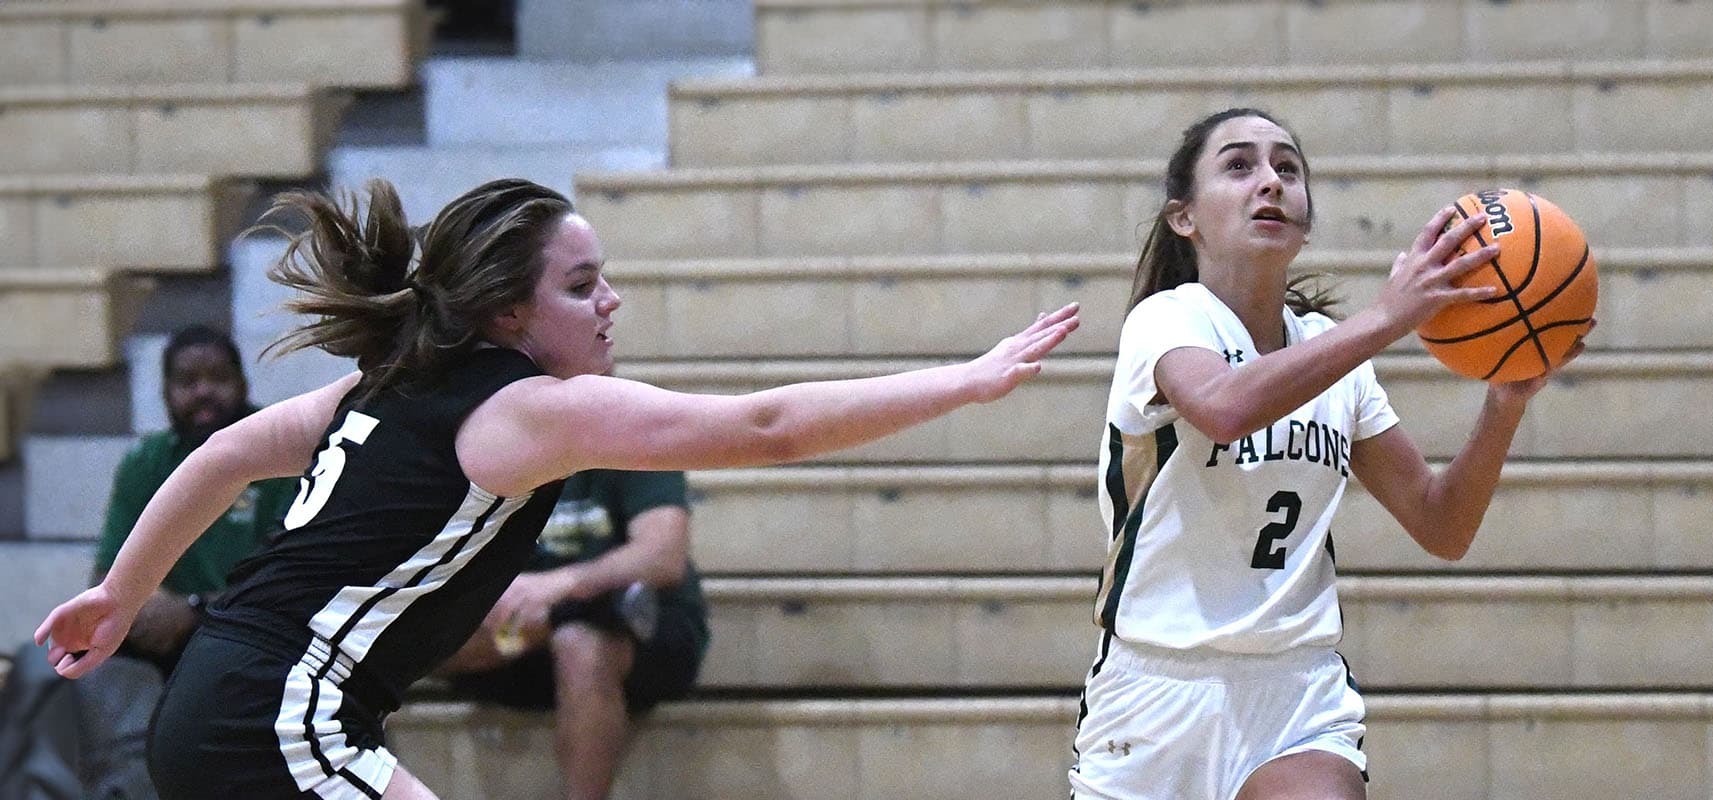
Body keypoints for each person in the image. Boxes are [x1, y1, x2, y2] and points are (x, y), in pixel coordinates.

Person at [35, 177, 1080, 800]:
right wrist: (965, 379)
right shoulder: (531, 407)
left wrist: (121, 596)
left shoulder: (388, 381)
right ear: (503, 314)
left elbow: (218, 459)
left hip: (215, 700)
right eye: (582, 286)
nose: (611, 300)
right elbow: (767, 425)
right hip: (276, 717)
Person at [1068, 108, 1592, 800]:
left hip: (1295, 688)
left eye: (1288, 168)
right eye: (1239, 165)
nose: (1270, 182)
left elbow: (1443, 526)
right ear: (1183, 219)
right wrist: (1384, 319)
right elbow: (1225, 408)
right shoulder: (1167, 320)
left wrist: (1505, 404)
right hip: (1155, 690)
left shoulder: (1333, 353)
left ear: (1306, 218)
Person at [80, 325, 301, 800]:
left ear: (242, 384)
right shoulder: (147, 463)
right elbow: (105, 579)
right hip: (166, 636)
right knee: (79, 660)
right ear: (165, 394)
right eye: (187, 380)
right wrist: (140, 604)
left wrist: (194, 610)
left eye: (217, 377)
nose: (203, 391)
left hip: (253, 634)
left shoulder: (284, 453)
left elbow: (290, 584)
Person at [435, 466, 706, 800]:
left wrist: (558, 587)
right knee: (417, 637)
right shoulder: (495, 448)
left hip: (639, 628)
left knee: (579, 641)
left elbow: (662, 557)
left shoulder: (632, 438)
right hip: (520, 631)